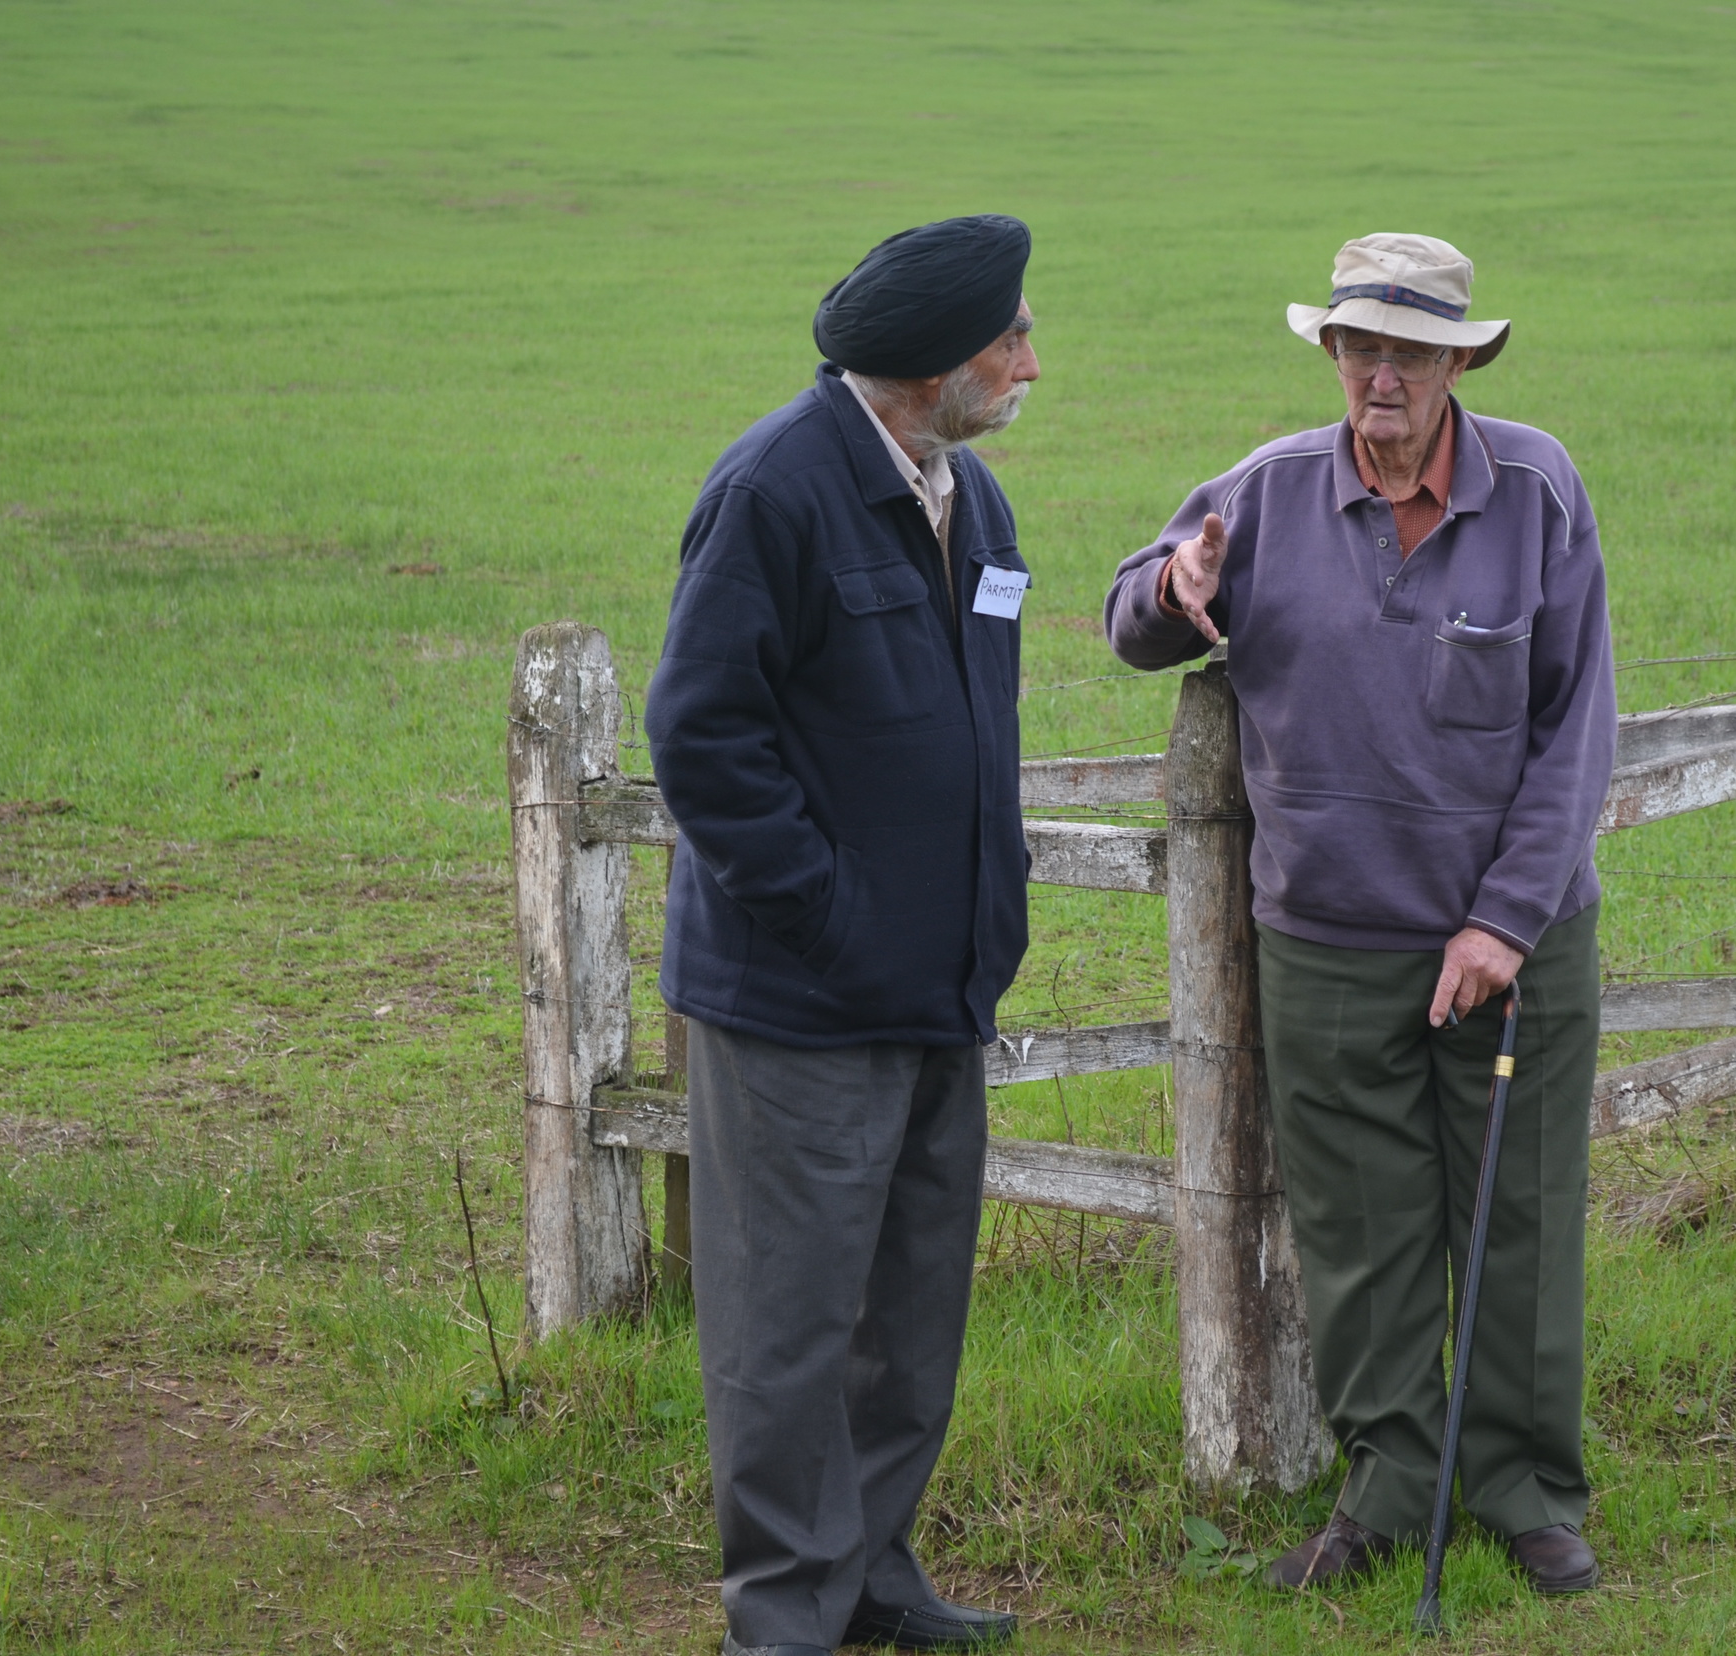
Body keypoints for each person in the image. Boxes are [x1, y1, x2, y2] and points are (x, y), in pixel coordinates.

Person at [1103, 233, 1617, 1597]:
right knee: (1361, 1241)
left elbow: (1577, 730)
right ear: (1331, 354)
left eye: (1412, 350)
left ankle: (1524, 1491)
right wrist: (1175, 594)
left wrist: (1505, 920)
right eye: (1361, 346)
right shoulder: (1264, 494)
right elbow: (1129, 609)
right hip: (1329, 944)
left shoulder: (1540, 492)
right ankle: (1389, 1491)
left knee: (1521, 1219)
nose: (1383, 374)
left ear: (1460, 361)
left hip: (1512, 948)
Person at [647, 215, 1041, 1656]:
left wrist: (975, 934)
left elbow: (971, 731)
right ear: (934, 364)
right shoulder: (774, 491)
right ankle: (785, 1616)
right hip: (801, 999)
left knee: (913, 1315)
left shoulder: (972, 500)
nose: (1030, 366)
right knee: (789, 1328)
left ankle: (873, 1577)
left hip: (941, 992)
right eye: (1011, 339)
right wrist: (827, 915)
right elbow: (702, 737)